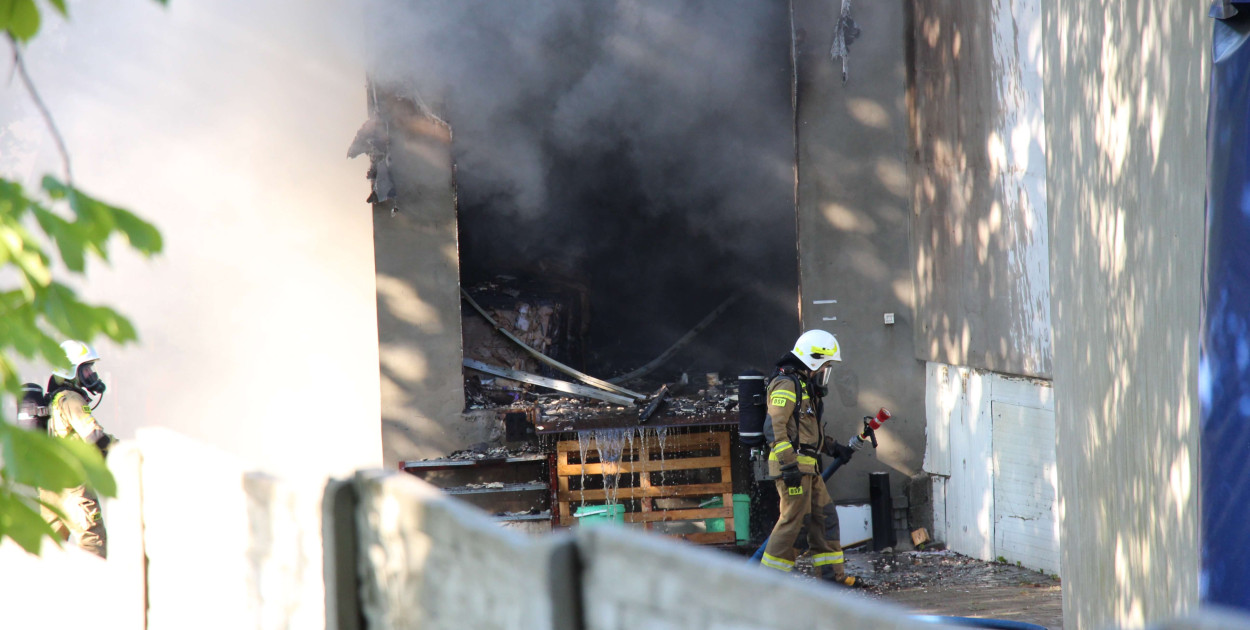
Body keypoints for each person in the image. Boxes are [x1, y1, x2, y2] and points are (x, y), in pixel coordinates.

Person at [758, 329, 861, 586]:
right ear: (813, 359)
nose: (825, 371)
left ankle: (832, 578)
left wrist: (834, 448)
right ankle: (766, 584)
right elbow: (774, 427)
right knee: (794, 523)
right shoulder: (786, 383)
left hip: (808, 468)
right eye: (825, 365)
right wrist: (788, 465)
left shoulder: (804, 386)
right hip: (794, 467)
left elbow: (806, 432)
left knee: (824, 519)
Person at [40, 340, 114, 559]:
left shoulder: (55, 398)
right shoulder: (71, 399)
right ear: (71, 369)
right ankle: (94, 582)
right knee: (92, 542)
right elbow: (94, 436)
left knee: (50, 547)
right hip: (73, 485)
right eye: (86, 369)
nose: (91, 374)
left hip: (50, 483)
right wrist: (120, 452)